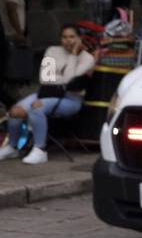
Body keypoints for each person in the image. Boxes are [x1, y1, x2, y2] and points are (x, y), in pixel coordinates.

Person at [0, 24, 95, 165]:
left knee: (36, 107)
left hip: (70, 100)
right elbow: (45, 78)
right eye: (64, 37)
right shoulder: (52, 51)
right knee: (15, 111)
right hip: (46, 93)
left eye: (72, 37)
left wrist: (74, 56)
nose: (68, 41)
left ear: (79, 38)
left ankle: (40, 149)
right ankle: (13, 146)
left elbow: (70, 80)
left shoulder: (87, 58)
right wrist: (62, 78)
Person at [1, 0, 28, 100]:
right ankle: (12, 95)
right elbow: (12, 10)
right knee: (13, 66)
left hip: (7, 33)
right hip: (11, 34)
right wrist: (19, 32)